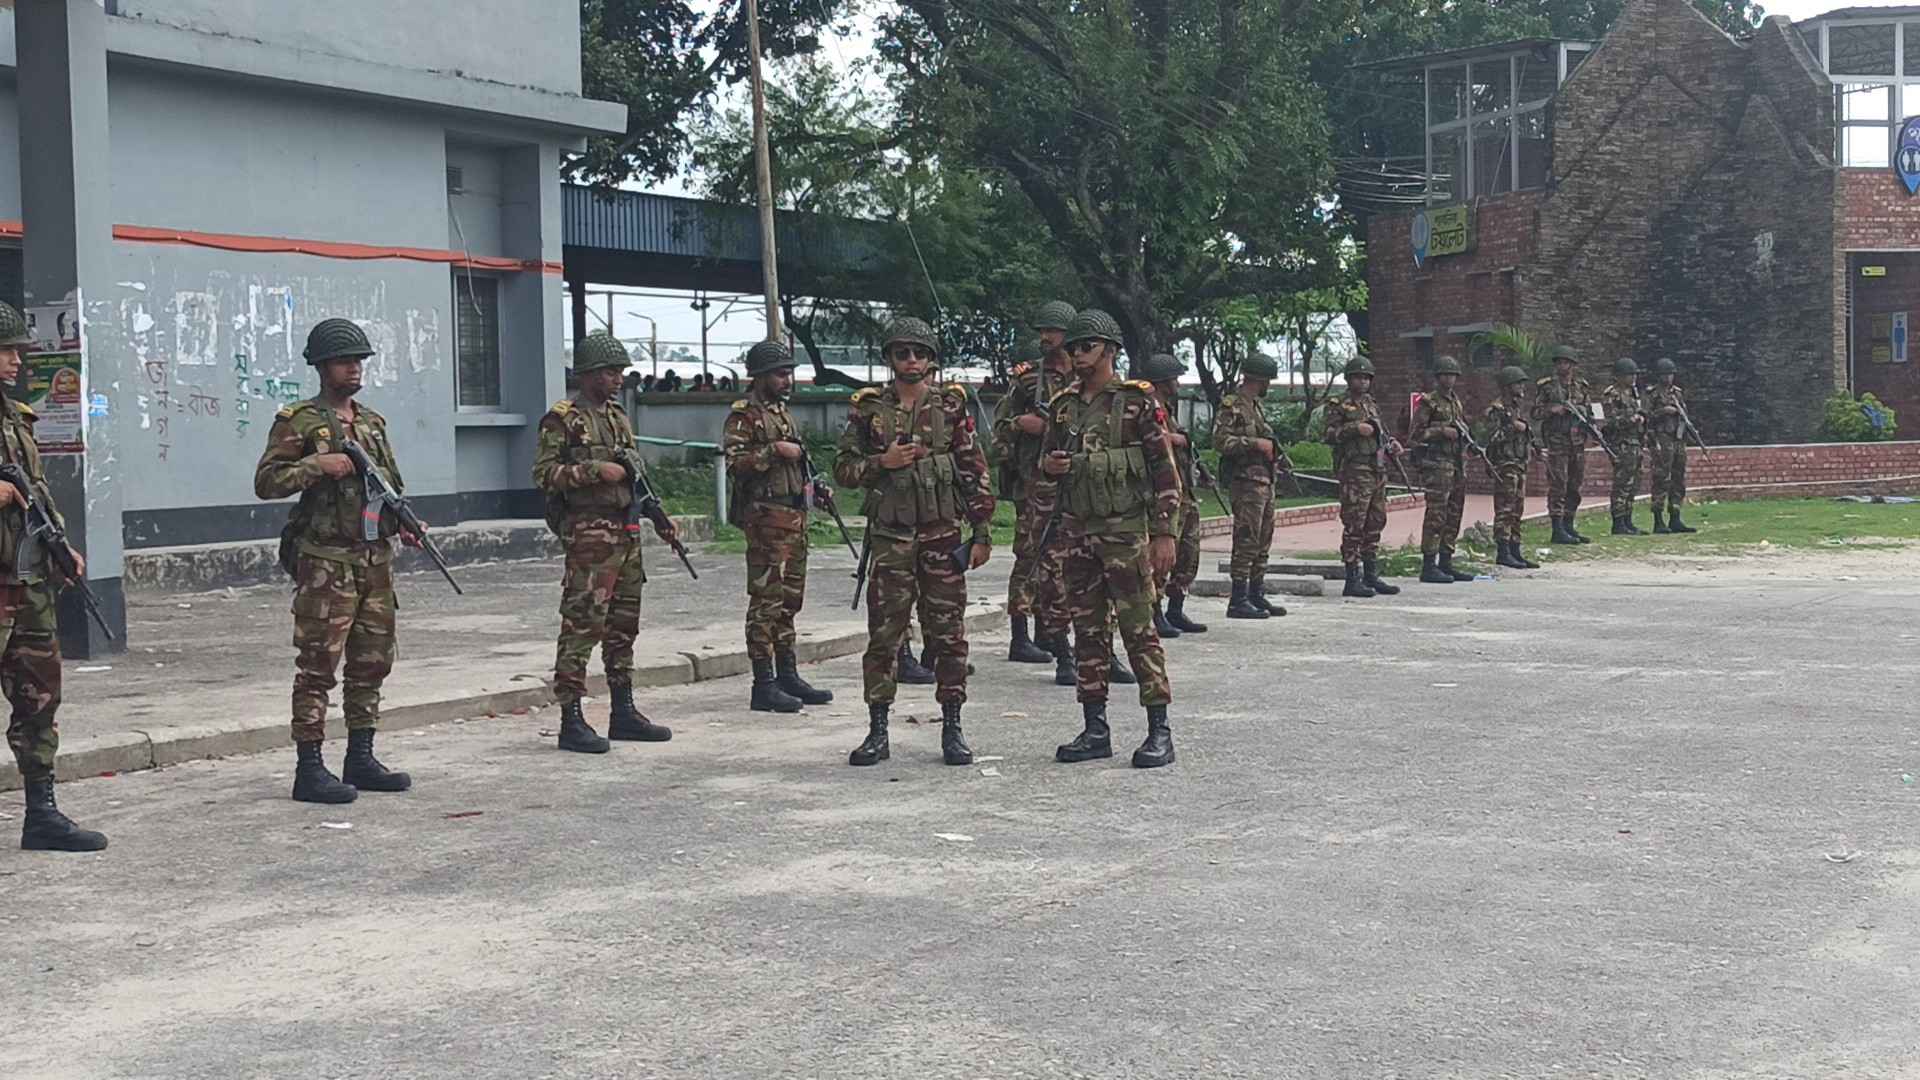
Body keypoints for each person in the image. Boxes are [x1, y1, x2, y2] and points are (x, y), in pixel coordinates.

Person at [254, 318, 416, 804]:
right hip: (326, 563)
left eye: (359, 361)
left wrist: (403, 522)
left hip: (374, 561)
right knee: (317, 667)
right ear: (322, 367)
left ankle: (360, 756)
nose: (355, 369)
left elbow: (389, 486)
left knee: (372, 662)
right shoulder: (299, 421)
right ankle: (309, 768)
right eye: (345, 361)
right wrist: (315, 465)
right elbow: (266, 482)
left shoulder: (372, 422)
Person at [834, 317, 994, 767]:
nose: (911, 360)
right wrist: (880, 463)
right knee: (884, 637)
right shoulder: (868, 410)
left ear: (931, 360)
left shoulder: (950, 408)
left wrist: (981, 532)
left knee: (948, 635)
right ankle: (878, 729)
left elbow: (973, 471)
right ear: (889, 358)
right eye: (902, 352)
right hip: (891, 539)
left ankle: (953, 726)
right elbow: (844, 470)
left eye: (919, 353)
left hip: (942, 537)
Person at [1041, 310, 1181, 770]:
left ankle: (1159, 730)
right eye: (1073, 347)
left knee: (1139, 630)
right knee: (1088, 632)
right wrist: (1051, 467)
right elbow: (1046, 463)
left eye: (1088, 346)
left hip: (1125, 534)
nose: (1078, 354)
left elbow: (1164, 472)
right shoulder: (1063, 406)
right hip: (1077, 533)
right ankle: (1095, 728)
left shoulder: (1137, 402)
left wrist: (1165, 532)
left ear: (1111, 351)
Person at [532, 331, 676, 755]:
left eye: (620, 372)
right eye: (611, 372)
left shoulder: (617, 417)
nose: (618, 379)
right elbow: (543, 474)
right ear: (590, 374)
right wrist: (594, 471)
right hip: (590, 536)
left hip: (626, 532)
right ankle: (571, 719)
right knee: (582, 625)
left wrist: (659, 516)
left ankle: (623, 710)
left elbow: (635, 476)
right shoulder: (562, 419)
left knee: (623, 626)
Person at [0, 302, 104, 851]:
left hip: (27, 582)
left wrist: (60, 544)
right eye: (7, 350)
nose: (17, 360)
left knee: (39, 698)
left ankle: (41, 813)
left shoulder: (16, 418)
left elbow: (35, 492)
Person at [724, 340, 833, 713]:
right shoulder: (744, 417)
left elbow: (799, 464)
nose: (787, 381)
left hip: (794, 516)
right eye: (780, 374)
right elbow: (735, 464)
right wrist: (773, 452)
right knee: (766, 602)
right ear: (760, 376)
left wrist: (815, 488)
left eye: (789, 373)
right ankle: (764, 682)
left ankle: (788, 673)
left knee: (789, 601)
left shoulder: (782, 414)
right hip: (766, 519)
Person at [991, 301, 1076, 664]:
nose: (1045, 336)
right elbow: (999, 430)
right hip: (1034, 485)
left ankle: (1050, 632)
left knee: (1063, 563)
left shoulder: (1084, 380)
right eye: (1042, 330)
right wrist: (1021, 425)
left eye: (1052, 331)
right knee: (1029, 556)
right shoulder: (1028, 380)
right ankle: (1020, 636)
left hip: (1074, 485)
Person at [1322, 356, 1405, 599]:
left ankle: (1370, 574)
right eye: (1358, 377)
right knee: (1355, 523)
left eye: (1367, 378)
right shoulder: (1338, 404)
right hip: (1354, 471)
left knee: (1376, 521)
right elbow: (1328, 434)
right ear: (1349, 379)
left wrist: (1392, 444)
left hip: (1376, 469)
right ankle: (1352, 578)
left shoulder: (1371, 403)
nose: (1363, 382)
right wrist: (1354, 429)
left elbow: (1381, 433)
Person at [1211, 353, 1287, 618]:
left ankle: (1256, 593)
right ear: (1259, 379)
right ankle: (1238, 599)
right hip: (1245, 483)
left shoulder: (1255, 406)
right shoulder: (1232, 405)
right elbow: (1220, 441)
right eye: (1268, 380)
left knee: (1262, 540)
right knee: (1246, 539)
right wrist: (1255, 444)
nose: (1269, 385)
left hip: (1264, 481)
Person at [1141, 352, 1209, 635]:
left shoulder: (1167, 410)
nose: (1178, 384)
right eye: (1174, 379)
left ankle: (1176, 607)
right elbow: (1151, 442)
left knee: (1188, 554)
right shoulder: (1148, 409)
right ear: (1162, 381)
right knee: (1162, 557)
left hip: (1184, 490)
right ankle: (1154, 611)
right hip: (1164, 494)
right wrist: (1175, 439)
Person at [1409, 354, 1473, 584]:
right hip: (1437, 465)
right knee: (1436, 515)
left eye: (1453, 375)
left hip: (1456, 464)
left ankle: (1446, 561)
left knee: (1454, 514)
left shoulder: (1456, 402)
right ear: (1438, 377)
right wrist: (1441, 431)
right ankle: (1429, 564)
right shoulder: (1429, 403)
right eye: (1445, 375)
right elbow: (1415, 436)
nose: (1449, 379)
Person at [1534, 345, 1596, 545]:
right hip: (1557, 442)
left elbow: (1589, 413)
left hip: (1577, 441)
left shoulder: (1581, 387)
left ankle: (1569, 524)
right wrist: (1552, 410)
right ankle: (1557, 528)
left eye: (1566, 363)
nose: (1562, 366)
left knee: (1574, 484)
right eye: (1559, 362)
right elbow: (1535, 412)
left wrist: (1584, 416)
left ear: (1573, 365)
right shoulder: (1548, 387)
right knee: (1558, 484)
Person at [1486, 366, 1540, 569]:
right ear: (1508, 386)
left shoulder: (1516, 407)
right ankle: (1503, 551)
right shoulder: (1496, 410)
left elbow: (1525, 434)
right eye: (1518, 383)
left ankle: (1515, 549)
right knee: (1505, 509)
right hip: (1505, 464)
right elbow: (1492, 437)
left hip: (1519, 463)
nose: (1521, 387)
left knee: (1517, 509)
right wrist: (1512, 427)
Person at [1645, 357, 1697, 534]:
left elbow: (1684, 415)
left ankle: (1675, 516)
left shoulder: (1677, 393)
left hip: (1677, 439)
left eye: (1671, 374)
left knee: (1678, 478)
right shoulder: (1652, 394)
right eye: (1665, 374)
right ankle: (1658, 519)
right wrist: (1663, 411)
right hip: (1662, 439)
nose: (1668, 377)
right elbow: (1645, 416)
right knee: (1662, 478)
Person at [1601, 357, 1648, 535]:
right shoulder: (1612, 394)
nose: (1633, 378)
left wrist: (1641, 419)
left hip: (1635, 443)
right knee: (1622, 483)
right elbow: (1611, 422)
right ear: (1620, 376)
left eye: (1634, 375)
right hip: (1621, 444)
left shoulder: (1632, 393)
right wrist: (1631, 420)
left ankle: (1628, 520)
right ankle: (1618, 521)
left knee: (1634, 483)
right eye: (1629, 374)